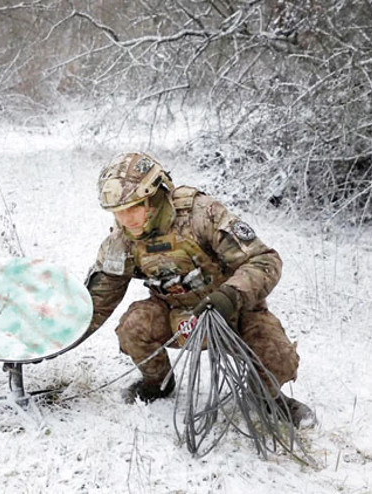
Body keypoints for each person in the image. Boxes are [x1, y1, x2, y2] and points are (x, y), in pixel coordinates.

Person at [84, 151, 315, 427]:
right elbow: (98, 300)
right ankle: (158, 383)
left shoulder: (201, 214)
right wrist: (53, 340)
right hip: (177, 316)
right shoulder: (122, 240)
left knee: (278, 356)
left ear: (155, 197)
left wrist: (230, 295)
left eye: (133, 208)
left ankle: (267, 398)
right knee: (133, 327)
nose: (126, 219)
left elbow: (265, 259)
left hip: (233, 311)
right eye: (118, 213)